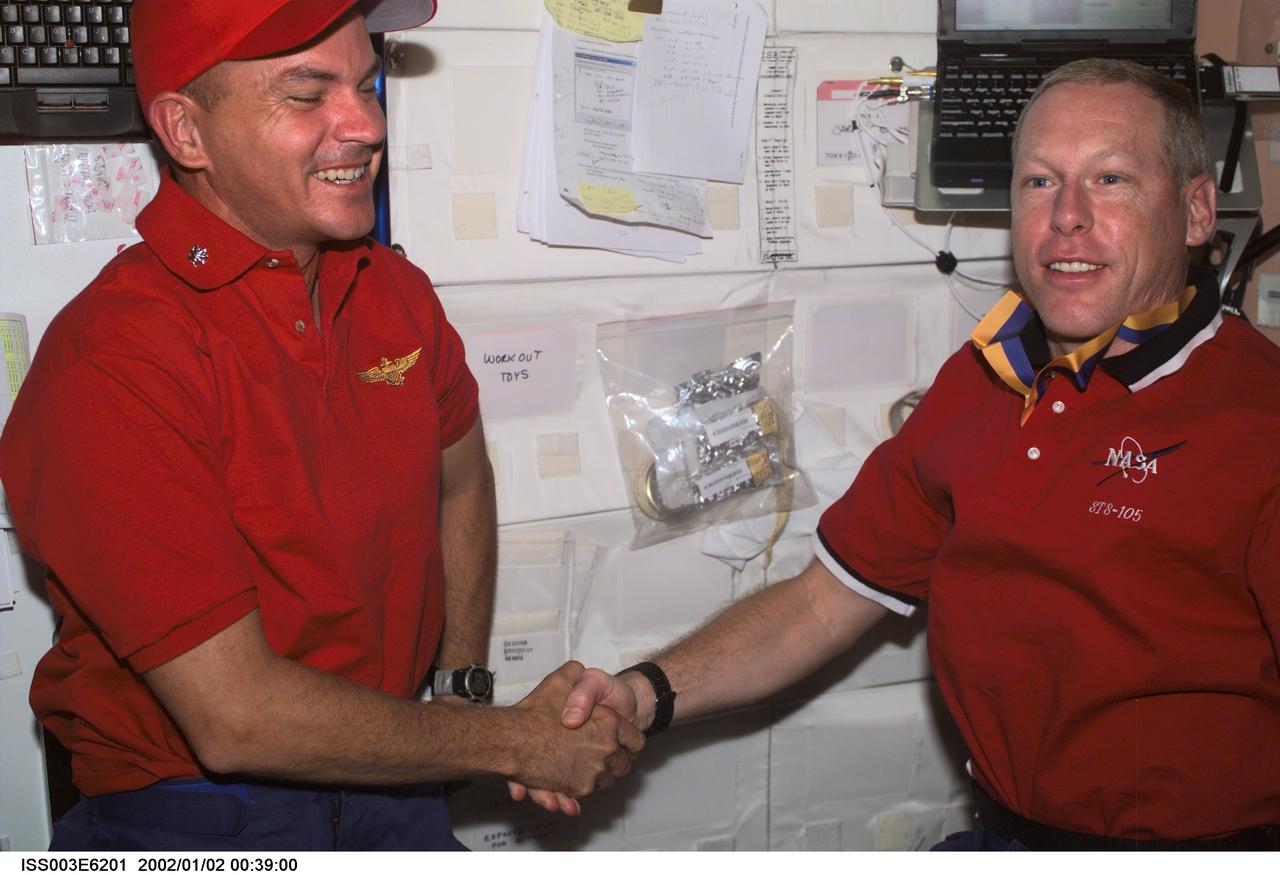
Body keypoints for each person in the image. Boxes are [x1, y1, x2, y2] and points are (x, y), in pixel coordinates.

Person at [526, 58, 1280, 850]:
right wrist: (645, 694)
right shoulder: (982, 380)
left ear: (1197, 212)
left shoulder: (1255, 419)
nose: (1067, 216)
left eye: (1112, 179)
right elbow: (823, 603)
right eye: (1038, 182)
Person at [0, 0, 640, 851]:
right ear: (187, 133)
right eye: (308, 96)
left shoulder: (394, 295)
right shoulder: (114, 361)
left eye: (367, 84)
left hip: (393, 775)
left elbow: (462, 478)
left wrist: (456, 683)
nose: (366, 123)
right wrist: (511, 739)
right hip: (192, 813)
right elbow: (236, 717)